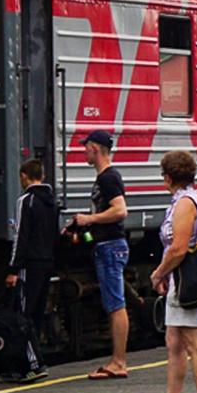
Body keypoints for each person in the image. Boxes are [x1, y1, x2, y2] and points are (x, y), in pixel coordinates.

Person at [142, 150, 197, 393]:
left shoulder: (186, 203)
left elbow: (178, 248)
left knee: (195, 343)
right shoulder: (187, 200)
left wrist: (159, 272)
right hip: (180, 281)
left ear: (168, 177)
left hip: (189, 282)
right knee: (174, 341)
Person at [69, 130, 130, 380]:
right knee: (114, 303)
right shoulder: (104, 178)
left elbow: (120, 211)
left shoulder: (108, 178)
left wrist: (89, 218)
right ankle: (117, 360)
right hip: (107, 245)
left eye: (86, 147)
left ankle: (119, 362)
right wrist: (81, 232)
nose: (84, 151)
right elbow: (105, 224)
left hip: (111, 248)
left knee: (116, 305)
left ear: (95, 148)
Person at [1, 158, 55, 383]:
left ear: (24, 176)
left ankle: (32, 364)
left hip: (29, 265)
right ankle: (32, 360)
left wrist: (13, 269)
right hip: (46, 263)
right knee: (36, 313)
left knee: (23, 316)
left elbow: (20, 238)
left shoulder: (26, 201)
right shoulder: (52, 201)